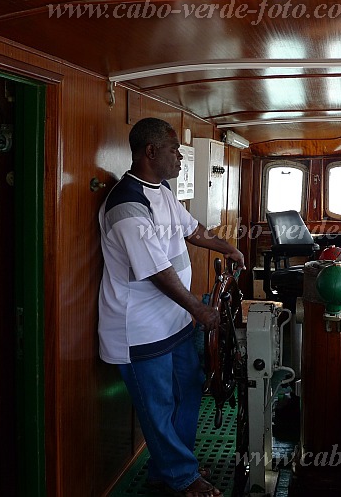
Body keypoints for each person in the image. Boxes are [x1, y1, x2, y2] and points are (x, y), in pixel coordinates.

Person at [98, 118, 244, 497]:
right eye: (174, 150)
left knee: (190, 387)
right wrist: (201, 309)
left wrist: (226, 247)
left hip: (174, 322)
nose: (180, 158)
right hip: (140, 329)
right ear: (151, 152)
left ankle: (176, 464)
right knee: (158, 403)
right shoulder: (127, 206)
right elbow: (157, 273)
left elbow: (191, 229)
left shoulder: (160, 190)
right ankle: (180, 476)